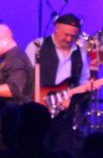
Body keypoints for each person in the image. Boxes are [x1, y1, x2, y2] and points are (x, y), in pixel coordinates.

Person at [26, 13, 92, 147]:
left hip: (65, 112)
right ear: (56, 27)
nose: (68, 39)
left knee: (63, 147)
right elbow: (26, 78)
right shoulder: (37, 46)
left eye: (73, 36)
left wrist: (80, 92)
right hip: (40, 108)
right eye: (65, 34)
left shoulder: (80, 53)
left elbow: (83, 80)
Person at [0, 24, 33, 136]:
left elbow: (13, 89)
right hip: (5, 118)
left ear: (5, 41)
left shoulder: (15, 59)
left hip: (14, 122)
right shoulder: (7, 57)